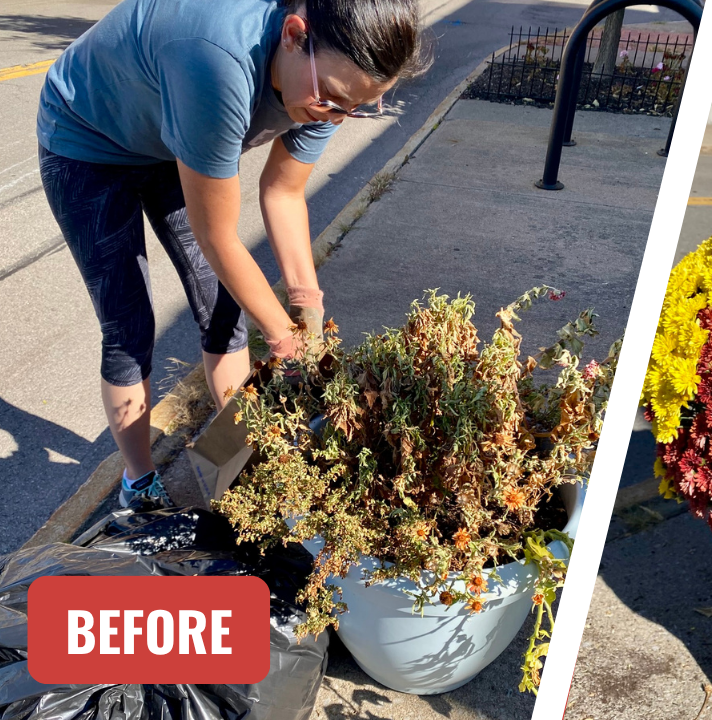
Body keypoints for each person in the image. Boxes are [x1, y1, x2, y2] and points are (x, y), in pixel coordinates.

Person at [37, 0, 427, 507]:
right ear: (293, 34)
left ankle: (241, 458)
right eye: (332, 101)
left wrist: (306, 302)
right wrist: (284, 337)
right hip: (86, 138)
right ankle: (139, 483)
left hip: (167, 136)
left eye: (356, 107)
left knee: (224, 309)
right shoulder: (217, 60)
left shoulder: (332, 80)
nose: (336, 116)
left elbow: (283, 194)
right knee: (129, 323)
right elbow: (217, 235)